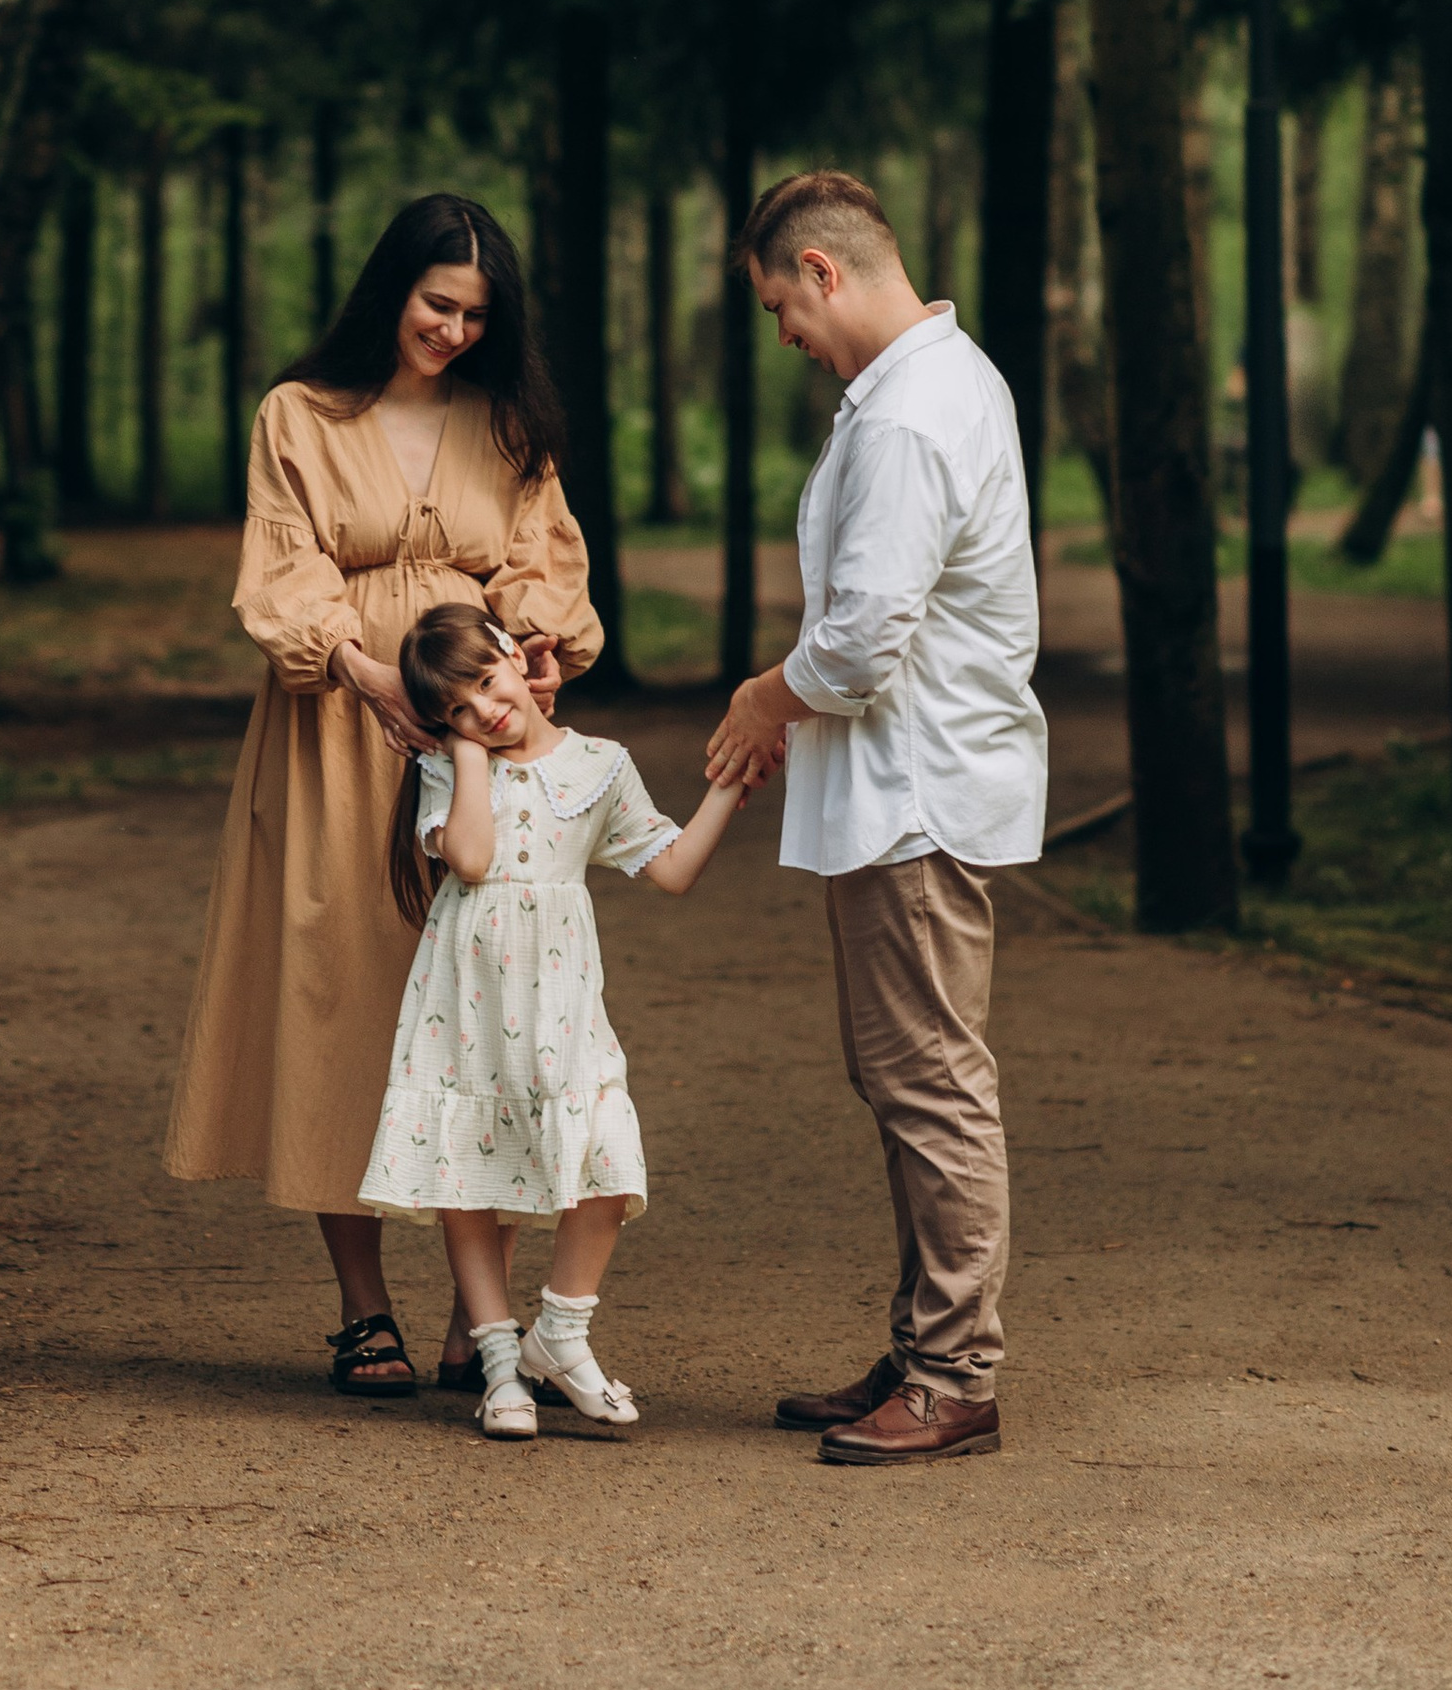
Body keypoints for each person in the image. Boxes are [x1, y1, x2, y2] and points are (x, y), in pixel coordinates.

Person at [162, 195, 603, 1398]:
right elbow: (282, 567)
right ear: (390, 293)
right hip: (330, 739)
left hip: (474, 728)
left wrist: (539, 643)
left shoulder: (506, 424)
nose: (453, 331)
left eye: (475, 315)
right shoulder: (299, 416)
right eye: (435, 304)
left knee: (491, 998)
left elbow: (539, 562)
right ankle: (365, 1312)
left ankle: (482, 1319)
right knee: (341, 993)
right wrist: (357, 672)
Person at [705, 167, 1047, 1468]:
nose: (783, 335)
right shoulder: (941, 384)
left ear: (823, 273)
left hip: (919, 789)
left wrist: (758, 700)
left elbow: (859, 642)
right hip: (911, 781)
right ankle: (924, 1344)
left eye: (778, 308)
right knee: (907, 1073)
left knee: (932, 1082)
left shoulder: (910, 415)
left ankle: (955, 1371)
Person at [361, 605, 746, 1436]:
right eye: (456, 709)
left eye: (487, 686)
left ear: (513, 655)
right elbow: (468, 858)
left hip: (561, 1000)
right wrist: (465, 751)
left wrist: (730, 787)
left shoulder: (601, 765)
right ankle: (500, 1366)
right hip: (466, 997)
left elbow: (671, 867)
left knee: (607, 1158)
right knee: (468, 1170)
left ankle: (561, 1337)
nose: (482, 713)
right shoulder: (449, 767)